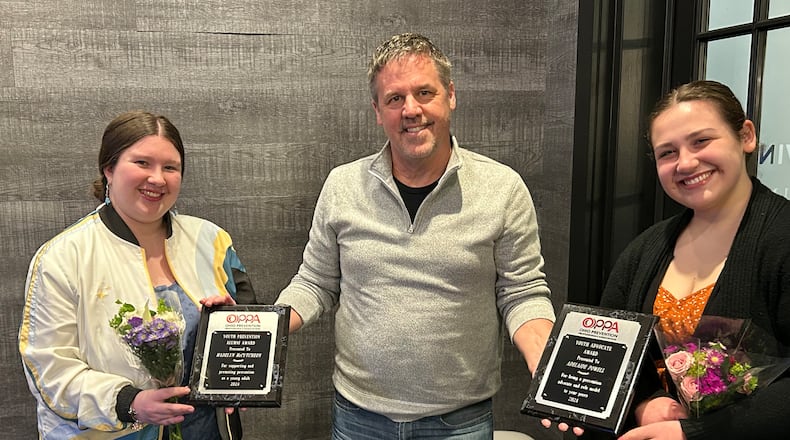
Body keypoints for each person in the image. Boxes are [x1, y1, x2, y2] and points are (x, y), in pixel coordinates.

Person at [275, 32, 556, 439]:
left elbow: (522, 291)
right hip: (358, 418)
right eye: (394, 99)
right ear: (377, 110)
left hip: (460, 422)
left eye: (425, 92)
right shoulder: (342, 185)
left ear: (450, 96)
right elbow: (315, 282)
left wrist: (545, 358)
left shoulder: (502, 188)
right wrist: (266, 329)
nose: (411, 110)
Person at [566, 80, 790, 440]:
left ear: (746, 136)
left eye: (701, 141)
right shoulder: (645, 249)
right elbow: (606, 361)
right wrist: (642, 405)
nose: (686, 162)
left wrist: (696, 432)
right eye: (667, 153)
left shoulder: (781, 239)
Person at [18, 111, 255, 439]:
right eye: (142, 163)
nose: (158, 179)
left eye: (170, 167)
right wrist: (128, 402)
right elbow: (51, 372)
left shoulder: (211, 240)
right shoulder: (63, 258)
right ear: (109, 169)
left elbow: (252, 325)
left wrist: (239, 352)